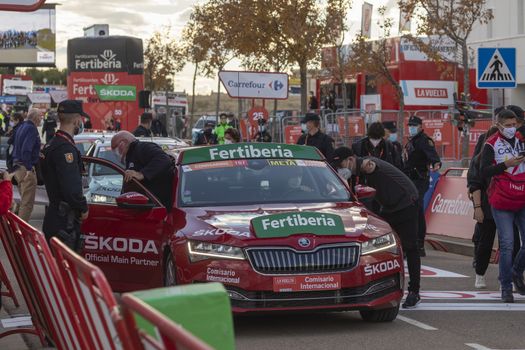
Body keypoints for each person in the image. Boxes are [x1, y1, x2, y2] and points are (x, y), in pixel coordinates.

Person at [348, 152, 421, 308]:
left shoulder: (367, 165)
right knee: (381, 247)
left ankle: (414, 291)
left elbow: (372, 166)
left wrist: (368, 166)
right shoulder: (355, 174)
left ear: (351, 160)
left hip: (406, 203)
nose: (343, 170)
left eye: (342, 166)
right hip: (388, 207)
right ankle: (382, 287)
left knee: (410, 247)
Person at [480, 109, 525, 302]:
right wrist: (506, 164)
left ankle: (516, 271)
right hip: (501, 199)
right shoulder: (491, 144)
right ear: (498, 126)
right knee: (507, 244)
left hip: (522, 195)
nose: (511, 128)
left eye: (514, 125)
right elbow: (484, 171)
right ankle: (505, 286)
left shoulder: (521, 140)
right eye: (507, 126)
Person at [41, 100, 89, 251]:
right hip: (64, 223)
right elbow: (71, 189)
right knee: (66, 271)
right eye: (81, 119)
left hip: (54, 216)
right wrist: (83, 207)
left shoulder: (52, 144)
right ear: (76, 120)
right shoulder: (65, 149)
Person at [403, 116, 441, 257]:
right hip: (409, 179)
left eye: (414, 125)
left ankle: (418, 244)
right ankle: (413, 243)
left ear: (420, 126)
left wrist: (436, 163)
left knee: (416, 209)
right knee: (412, 210)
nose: (411, 127)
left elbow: (432, 155)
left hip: (419, 179)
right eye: (410, 125)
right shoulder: (411, 140)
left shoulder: (424, 140)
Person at [467, 125, 499, 289]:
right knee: (485, 242)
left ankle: (507, 278)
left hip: (508, 207)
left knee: (509, 244)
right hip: (488, 207)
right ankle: (480, 274)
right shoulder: (480, 160)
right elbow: (475, 185)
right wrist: (478, 207)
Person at [111, 131, 175, 209]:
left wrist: (142, 174)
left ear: (124, 143)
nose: (116, 154)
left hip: (159, 206)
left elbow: (164, 159)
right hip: (146, 206)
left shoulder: (142, 148)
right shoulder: (130, 157)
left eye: (115, 149)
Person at [12, 108, 42, 222]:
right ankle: (20, 232)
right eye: (40, 116)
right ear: (35, 117)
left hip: (17, 167)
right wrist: (29, 169)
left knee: (22, 201)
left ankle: (15, 226)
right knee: (27, 203)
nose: (41, 119)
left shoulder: (21, 126)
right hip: (25, 168)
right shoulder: (31, 129)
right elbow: (26, 150)